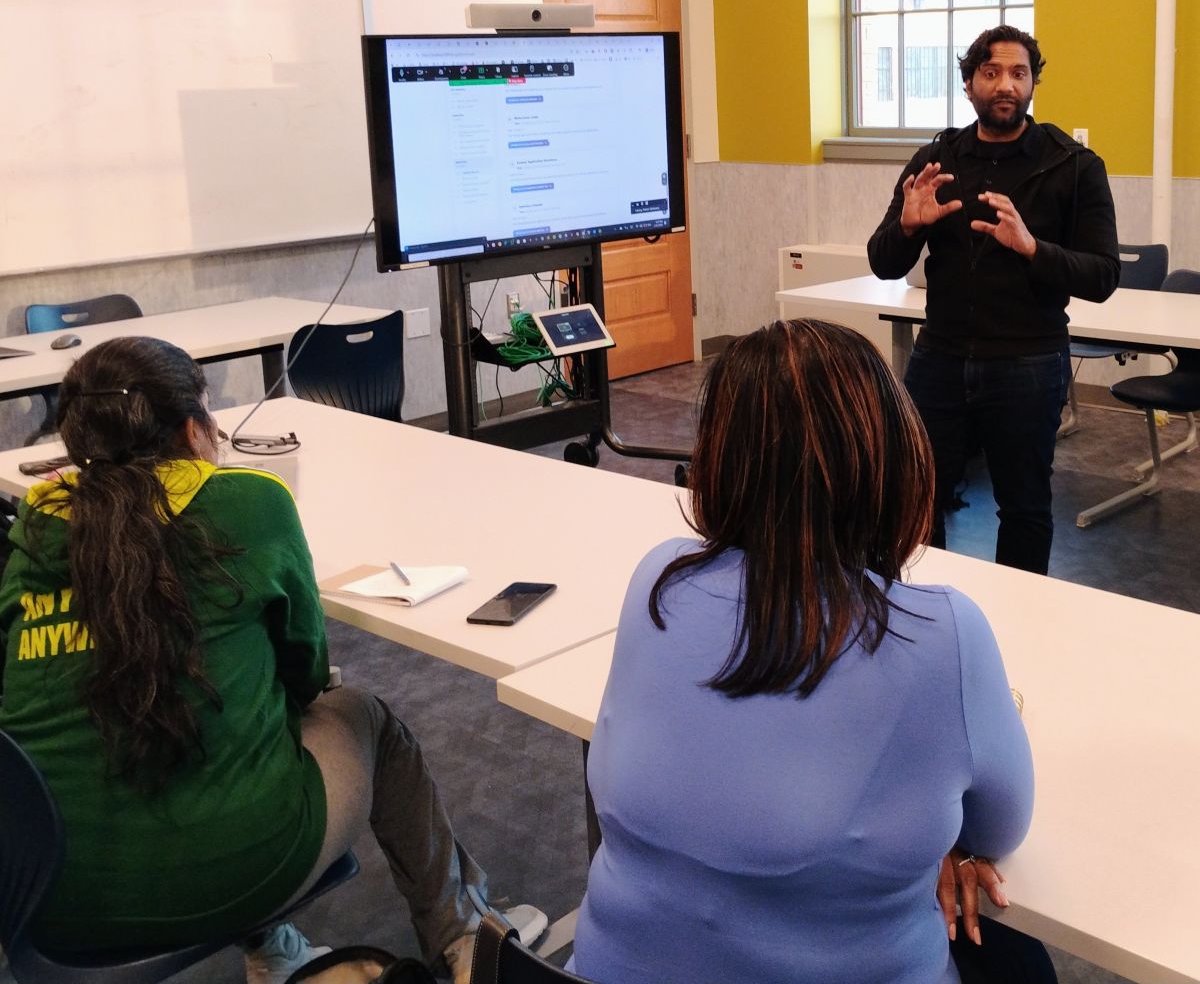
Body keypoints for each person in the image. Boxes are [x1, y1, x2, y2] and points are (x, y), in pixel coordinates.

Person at [0, 337, 543, 984]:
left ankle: (276, 947)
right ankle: (461, 939)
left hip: (45, 893)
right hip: (236, 871)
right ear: (192, 428)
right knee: (359, 715)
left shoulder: (35, 523)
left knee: (170, 714)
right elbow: (306, 672)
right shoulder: (248, 502)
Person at [571, 320, 1054, 984]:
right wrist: (934, 840)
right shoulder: (943, 634)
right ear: (891, 460)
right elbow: (1001, 828)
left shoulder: (659, 582)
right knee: (1022, 963)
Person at [868, 25, 1120, 575]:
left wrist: (1034, 249)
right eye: (990, 72)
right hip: (940, 359)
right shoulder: (935, 160)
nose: (1005, 84)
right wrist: (908, 227)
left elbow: (1103, 276)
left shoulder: (1073, 166)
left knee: (1024, 509)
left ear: (1033, 83)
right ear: (968, 83)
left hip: (1029, 363)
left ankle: (1017, 628)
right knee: (917, 497)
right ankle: (923, 614)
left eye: (1018, 73)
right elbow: (883, 261)